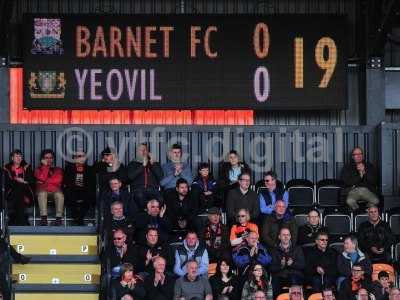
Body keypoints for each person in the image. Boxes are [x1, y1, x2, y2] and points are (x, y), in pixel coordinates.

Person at [127, 143, 163, 211]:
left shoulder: (154, 163)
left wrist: (153, 164)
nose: (143, 152)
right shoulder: (132, 164)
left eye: (145, 150)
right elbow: (130, 177)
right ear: (137, 152)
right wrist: (142, 166)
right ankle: (147, 212)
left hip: (153, 189)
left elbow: (160, 177)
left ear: (148, 151)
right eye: (141, 150)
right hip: (138, 189)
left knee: (160, 199)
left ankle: (152, 214)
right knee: (140, 196)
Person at [270, 227, 305, 296]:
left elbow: (302, 265)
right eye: (283, 235)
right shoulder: (274, 250)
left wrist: (292, 264)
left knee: (294, 279)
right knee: (274, 285)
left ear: (290, 236)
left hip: (295, 274)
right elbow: (271, 268)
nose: (286, 237)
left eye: (288, 235)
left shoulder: (297, 248)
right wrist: (281, 266)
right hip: (279, 275)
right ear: (279, 237)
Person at [63, 151, 96, 225]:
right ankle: (78, 219)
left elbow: (92, 183)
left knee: (90, 195)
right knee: (69, 194)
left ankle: (78, 219)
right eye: (77, 156)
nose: (79, 158)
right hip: (73, 190)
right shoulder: (69, 168)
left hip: (85, 190)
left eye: (82, 156)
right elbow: (66, 181)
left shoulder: (90, 169)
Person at [3, 149, 35, 225]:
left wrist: (23, 181)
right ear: (12, 158)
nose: (19, 158)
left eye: (20, 156)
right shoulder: (6, 168)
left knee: (20, 189)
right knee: (18, 190)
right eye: (16, 156)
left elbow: (32, 181)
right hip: (11, 193)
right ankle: (23, 221)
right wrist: (16, 180)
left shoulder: (27, 167)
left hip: (26, 193)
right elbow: (6, 182)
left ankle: (14, 221)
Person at [34, 149, 64, 226]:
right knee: (42, 193)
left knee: (59, 195)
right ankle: (44, 219)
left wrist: (44, 182)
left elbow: (58, 180)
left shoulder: (58, 169)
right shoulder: (38, 169)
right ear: (42, 159)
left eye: (50, 157)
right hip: (43, 191)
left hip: (55, 191)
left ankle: (58, 219)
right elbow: (42, 177)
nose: (49, 159)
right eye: (46, 158)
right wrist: (45, 166)